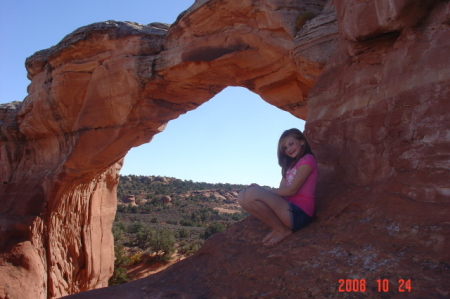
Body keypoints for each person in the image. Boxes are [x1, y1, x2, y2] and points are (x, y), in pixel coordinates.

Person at [237, 128, 317, 246]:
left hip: (300, 214)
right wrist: (261, 191)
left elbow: (291, 190)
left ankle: (282, 230)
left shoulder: (307, 159)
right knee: (242, 196)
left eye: (291, 144)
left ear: (302, 141)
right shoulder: (290, 166)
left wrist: (262, 191)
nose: (288, 149)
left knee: (252, 193)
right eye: (285, 148)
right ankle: (278, 227)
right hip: (287, 210)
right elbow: (281, 191)